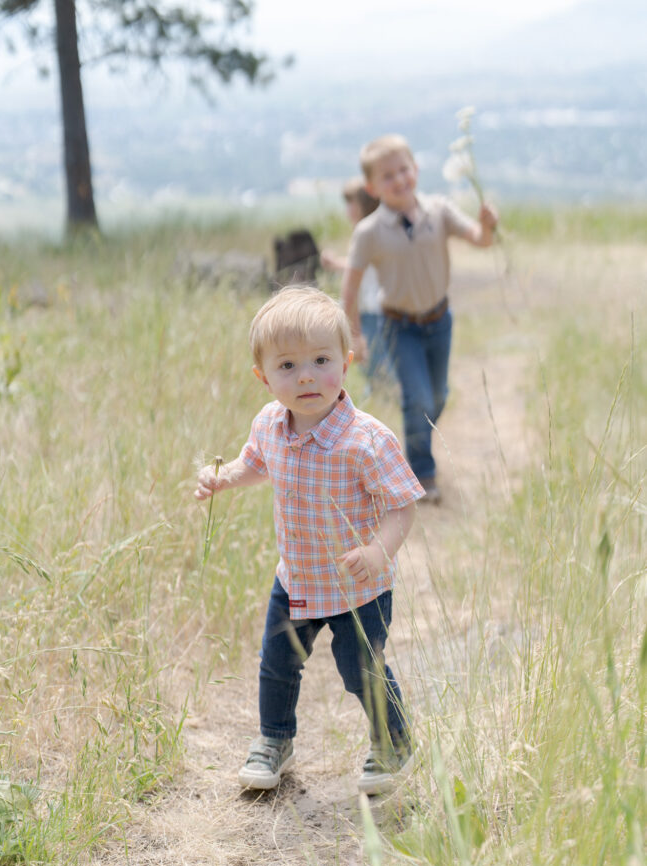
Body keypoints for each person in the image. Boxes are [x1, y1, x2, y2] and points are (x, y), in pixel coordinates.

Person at [195, 286, 424, 796]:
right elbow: (253, 465)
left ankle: (393, 741)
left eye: (321, 361)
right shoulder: (269, 425)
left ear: (344, 363)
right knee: (277, 664)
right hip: (295, 578)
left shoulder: (366, 439)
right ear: (264, 377)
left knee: (360, 668)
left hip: (355, 585)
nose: (306, 376)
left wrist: (378, 551)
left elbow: (401, 504)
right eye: (288, 366)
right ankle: (275, 741)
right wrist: (222, 479)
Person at [342, 133, 498, 502]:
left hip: (440, 322)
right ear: (372, 186)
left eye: (403, 170)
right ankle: (421, 476)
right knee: (419, 400)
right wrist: (356, 335)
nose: (399, 180)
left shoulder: (439, 211)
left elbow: (480, 239)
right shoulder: (369, 232)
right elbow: (349, 288)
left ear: (416, 169)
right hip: (399, 326)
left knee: (437, 397)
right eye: (387, 176)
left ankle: (415, 441)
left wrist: (488, 224)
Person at [321, 178, 391, 386]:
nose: (348, 209)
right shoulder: (374, 230)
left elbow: (362, 267)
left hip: (372, 306)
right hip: (369, 305)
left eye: (352, 203)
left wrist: (335, 263)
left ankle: (379, 402)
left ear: (364, 204)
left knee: (373, 363)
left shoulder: (369, 232)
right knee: (372, 363)